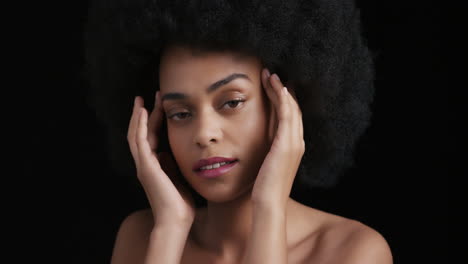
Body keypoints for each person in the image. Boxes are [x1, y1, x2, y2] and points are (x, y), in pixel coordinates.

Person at [83, 0, 392, 263]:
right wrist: (170, 230)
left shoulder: (351, 251)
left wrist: (269, 207)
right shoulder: (142, 238)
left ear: (284, 104)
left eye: (231, 102)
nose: (204, 134)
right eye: (181, 113)